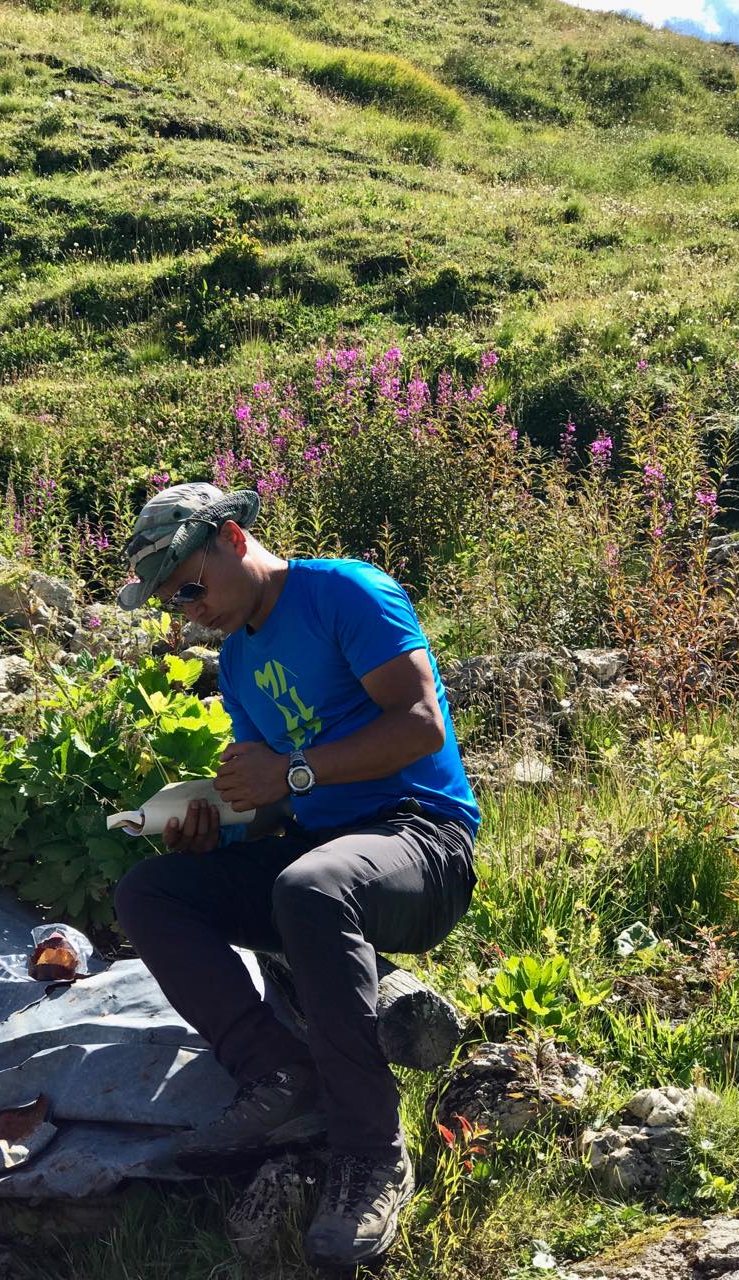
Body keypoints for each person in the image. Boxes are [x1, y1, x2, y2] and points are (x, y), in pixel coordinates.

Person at [113, 482, 479, 1268]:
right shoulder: (241, 659)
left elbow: (420, 725)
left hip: (424, 841)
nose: (186, 609)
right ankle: (277, 1075)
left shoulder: (344, 591)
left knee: (312, 887)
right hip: (322, 848)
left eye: (189, 585)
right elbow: (279, 806)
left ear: (234, 539)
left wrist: (293, 776)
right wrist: (219, 821)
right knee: (152, 892)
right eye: (170, 601)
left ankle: (371, 1152)